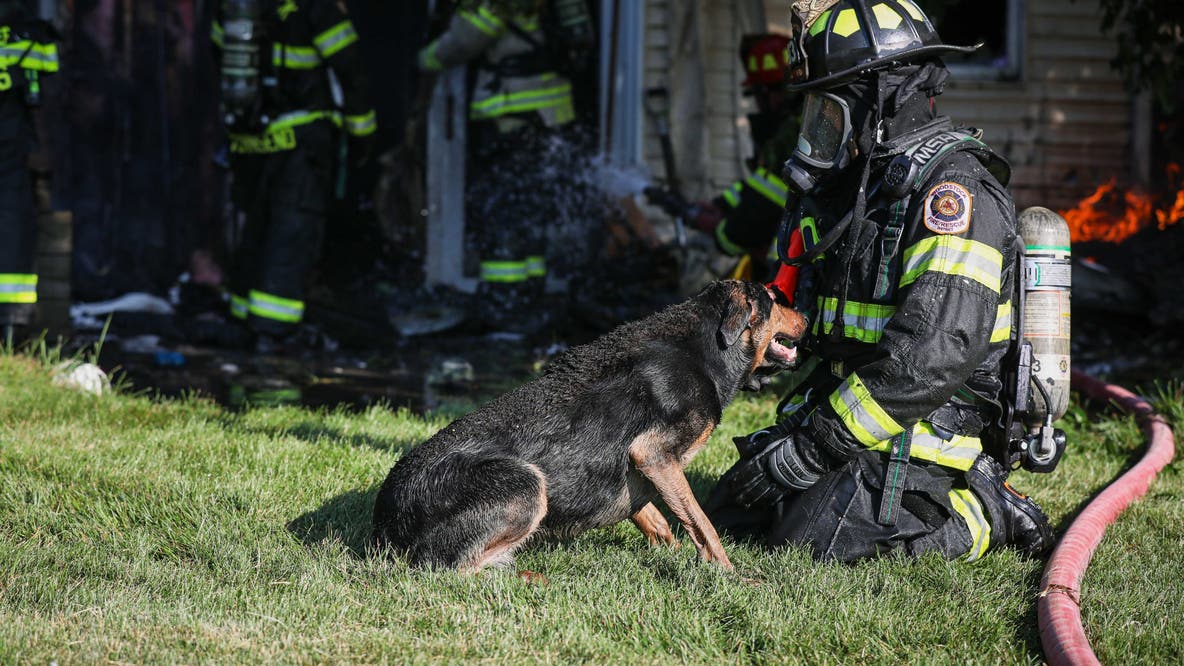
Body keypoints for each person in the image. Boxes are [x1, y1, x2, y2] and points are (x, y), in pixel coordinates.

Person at [705, 0, 1055, 563]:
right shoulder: (861, 190)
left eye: (830, 107)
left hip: (930, 425)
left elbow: (932, 358)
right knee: (731, 517)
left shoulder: (954, 196)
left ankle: (986, 512)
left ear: (881, 101)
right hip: (854, 414)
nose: (818, 127)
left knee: (808, 545)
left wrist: (813, 449)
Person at [416, 0, 590, 334]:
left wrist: (423, 59)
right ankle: (529, 295)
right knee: (531, 208)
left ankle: (504, 301)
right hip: (550, 114)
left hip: (512, 114)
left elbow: (464, 41)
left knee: (502, 211)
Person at [212, 0, 377, 353]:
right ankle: (274, 332)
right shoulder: (315, 7)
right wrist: (363, 134)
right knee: (291, 234)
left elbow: (217, 60)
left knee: (254, 230)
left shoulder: (233, 6)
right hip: (300, 142)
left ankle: (242, 317)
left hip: (250, 143)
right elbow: (351, 69)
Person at [692, 33, 801, 283]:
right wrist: (723, 204)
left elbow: (769, 198)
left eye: (759, 94)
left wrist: (724, 235)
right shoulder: (793, 123)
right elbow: (761, 183)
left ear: (773, 90)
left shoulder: (793, 131)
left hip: (786, 271)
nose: (760, 105)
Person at [0, 0, 57, 345]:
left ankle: (12, 320)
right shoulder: (21, 18)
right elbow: (47, 62)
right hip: (10, 122)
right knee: (12, 209)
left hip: (11, 124)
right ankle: (11, 322)